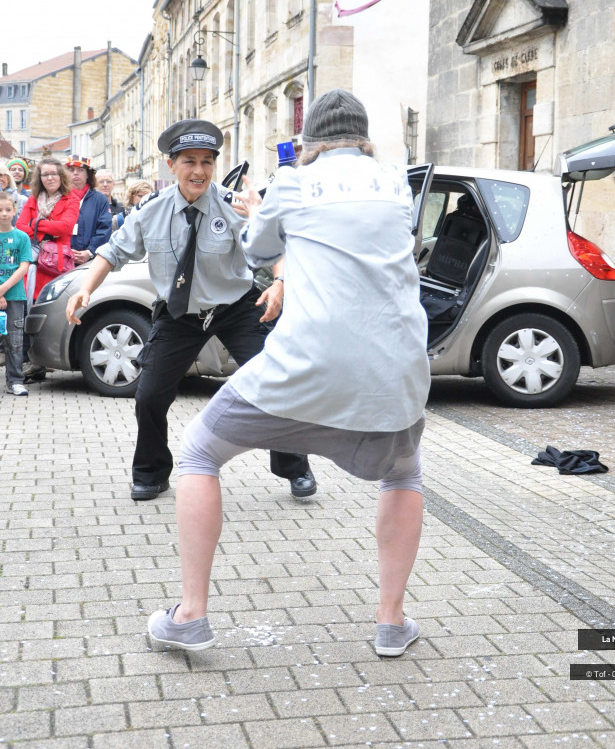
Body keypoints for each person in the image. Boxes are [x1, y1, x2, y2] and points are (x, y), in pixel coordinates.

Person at [143, 90, 429, 658]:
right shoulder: (397, 180)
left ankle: (190, 616)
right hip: (396, 366)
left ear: (311, 143)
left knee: (200, 452)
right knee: (404, 476)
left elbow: (257, 249)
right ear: (364, 138)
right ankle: (392, 623)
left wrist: (259, 206)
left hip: (307, 363)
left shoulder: (295, 182)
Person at [65, 119, 317, 502]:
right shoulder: (151, 210)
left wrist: (280, 282)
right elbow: (112, 252)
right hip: (179, 315)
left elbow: (273, 248)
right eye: (189, 161)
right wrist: (85, 288)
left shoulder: (233, 206)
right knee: (149, 395)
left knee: (274, 382)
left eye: (206, 162)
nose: (198, 170)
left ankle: (295, 467)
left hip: (236, 308)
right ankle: (151, 473)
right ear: (172, 165)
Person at [16, 156, 79, 303]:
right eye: (45, 175)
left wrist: (35, 224)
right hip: (32, 262)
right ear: (40, 178)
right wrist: (49, 229)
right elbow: (20, 227)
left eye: (54, 174)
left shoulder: (71, 199)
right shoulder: (33, 199)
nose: (50, 178)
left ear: (61, 176)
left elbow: (65, 227)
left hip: (56, 264)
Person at [0, 190, 32, 396]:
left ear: (15, 211)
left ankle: (15, 380)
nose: (3, 213)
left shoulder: (21, 237)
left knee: (14, 340)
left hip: (15, 296)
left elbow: (23, 267)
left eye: (7, 209)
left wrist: (2, 290)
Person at [63, 156, 112, 265]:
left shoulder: (99, 199)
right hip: (62, 259)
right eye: (71, 170)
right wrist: (64, 251)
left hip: (91, 261)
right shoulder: (59, 197)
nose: (75, 173)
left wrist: (90, 252)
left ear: (88, 174)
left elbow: (104, 229)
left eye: (80, 170)